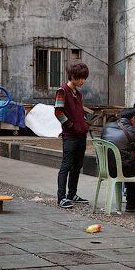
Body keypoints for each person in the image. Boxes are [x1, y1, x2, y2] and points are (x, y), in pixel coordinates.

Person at [100, 108, 135, 212]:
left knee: (129, 163)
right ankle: (133, 204)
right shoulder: (134, 131)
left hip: (105, 167)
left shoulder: (107, 127)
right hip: (123, 170)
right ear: (133, 119)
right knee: (134, 167)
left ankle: (132, 203)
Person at [55, 61, 90, 209]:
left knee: (77, 166)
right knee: (66, 165)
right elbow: (58, 111)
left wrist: (83, 122)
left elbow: (80, 112)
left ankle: (72, 194)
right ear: (72, 76)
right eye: (79, 78)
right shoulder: (62, 90)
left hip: (81, 134)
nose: (82, 81)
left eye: (84, 78)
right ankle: (61, 197)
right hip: (70, 135)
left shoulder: (78, 93)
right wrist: (71, 125)